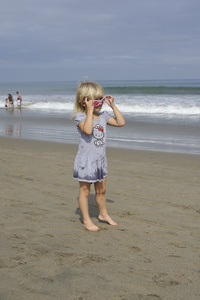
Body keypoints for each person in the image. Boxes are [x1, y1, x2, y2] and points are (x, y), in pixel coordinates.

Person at [73, 81, 125, 232]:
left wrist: (112, 106)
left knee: (101, 190)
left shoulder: (103, 115)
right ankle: (87, 220)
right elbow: (88, 130)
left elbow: (121, 123)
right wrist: (89, 112)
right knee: (85, 191)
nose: (99, 104)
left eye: (101, 100)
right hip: (86, 161)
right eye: (96, 101)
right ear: (84, 102)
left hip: (100, 160)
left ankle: (103, 215)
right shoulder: (80, 117)